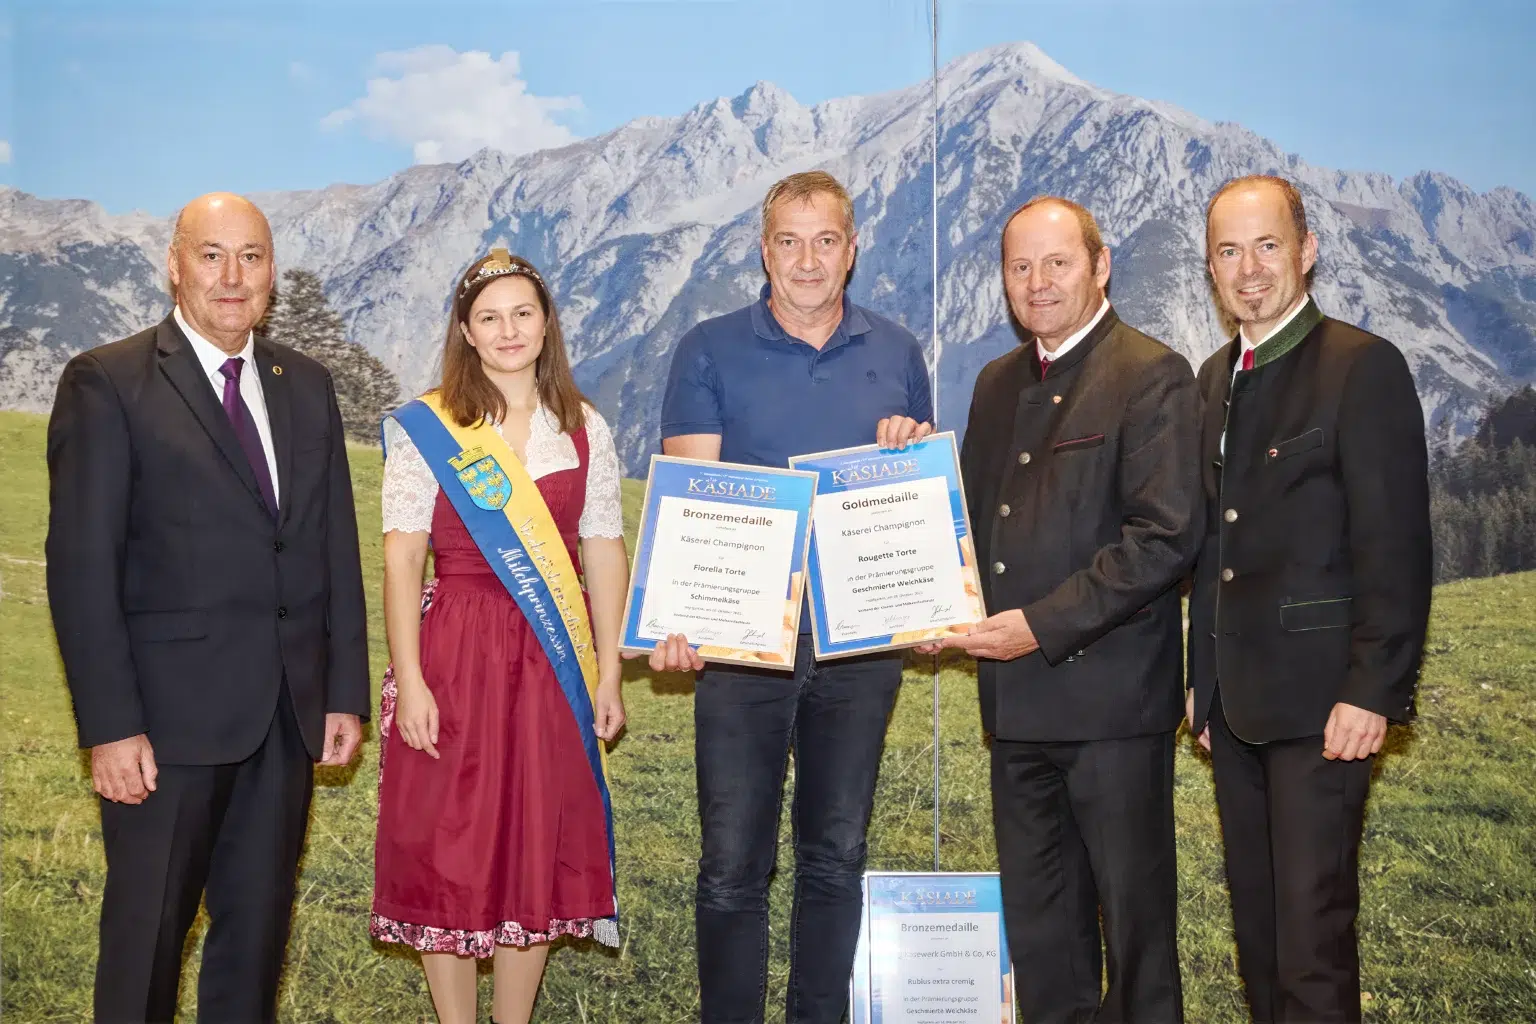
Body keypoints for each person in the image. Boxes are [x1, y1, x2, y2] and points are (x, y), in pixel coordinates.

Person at [45, 192, 369, 1023]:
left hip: (284, 721)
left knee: (254, 949)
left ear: (272, 273)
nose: (232, 276)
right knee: (145, 946)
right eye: (212, 255)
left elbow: (332, 546)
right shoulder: (108, 381)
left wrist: (342, 693)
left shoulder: (307, 385)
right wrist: (111, 727)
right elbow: (82, 568)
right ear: (175, 265)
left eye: (251, 257)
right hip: (163, 731)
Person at [652, 170, 932, 1024]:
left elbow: (915, 487)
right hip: (744, 648)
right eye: (788, 241)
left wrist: (904, 450)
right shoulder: (708, 348)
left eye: (825, 241)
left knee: (836, 856)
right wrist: (683, 616)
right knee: (731, 865)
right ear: (763, 250)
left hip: (860, 646)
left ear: (852, 250)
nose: (807, 260)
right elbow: (695, 500)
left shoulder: (899, 351)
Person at [928, 196, 1201, 1022]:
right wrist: (930, 600)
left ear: (1100, 265)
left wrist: (1037, 626)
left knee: (1136, 938)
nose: (1037, 282)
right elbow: (971, 525)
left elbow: (1163, 539)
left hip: (1112, 709)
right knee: (1044, 937)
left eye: (1057, 263)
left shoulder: (1151, 373)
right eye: (1020, 267)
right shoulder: (996, 382)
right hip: (1015, 712)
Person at [1186, 175, 1432, 1023]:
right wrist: (1202, 684)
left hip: (1326, 708)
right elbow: (1212, 547)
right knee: (1259, 940)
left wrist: (1373, 690)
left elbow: (1394, 546)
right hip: (1234, 710)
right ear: (1211, 268)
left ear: (1307, 251)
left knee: (1311, 946)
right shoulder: (1214, 378)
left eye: (1267, 246)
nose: (1248, 269)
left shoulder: (1362, 366)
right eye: (1228, 251)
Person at [371, 248, 629, 1024]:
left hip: (553, 659)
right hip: (454, 650)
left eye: (522, 313)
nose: (508, 330)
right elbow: (402, 557)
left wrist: (609, 673)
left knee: (534, 839)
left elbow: (603, 550)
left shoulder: (583, 428)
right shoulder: (429, 427)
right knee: (445, 841)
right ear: (466, 331)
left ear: (547, 324)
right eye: (489, 317)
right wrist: (410, 678)